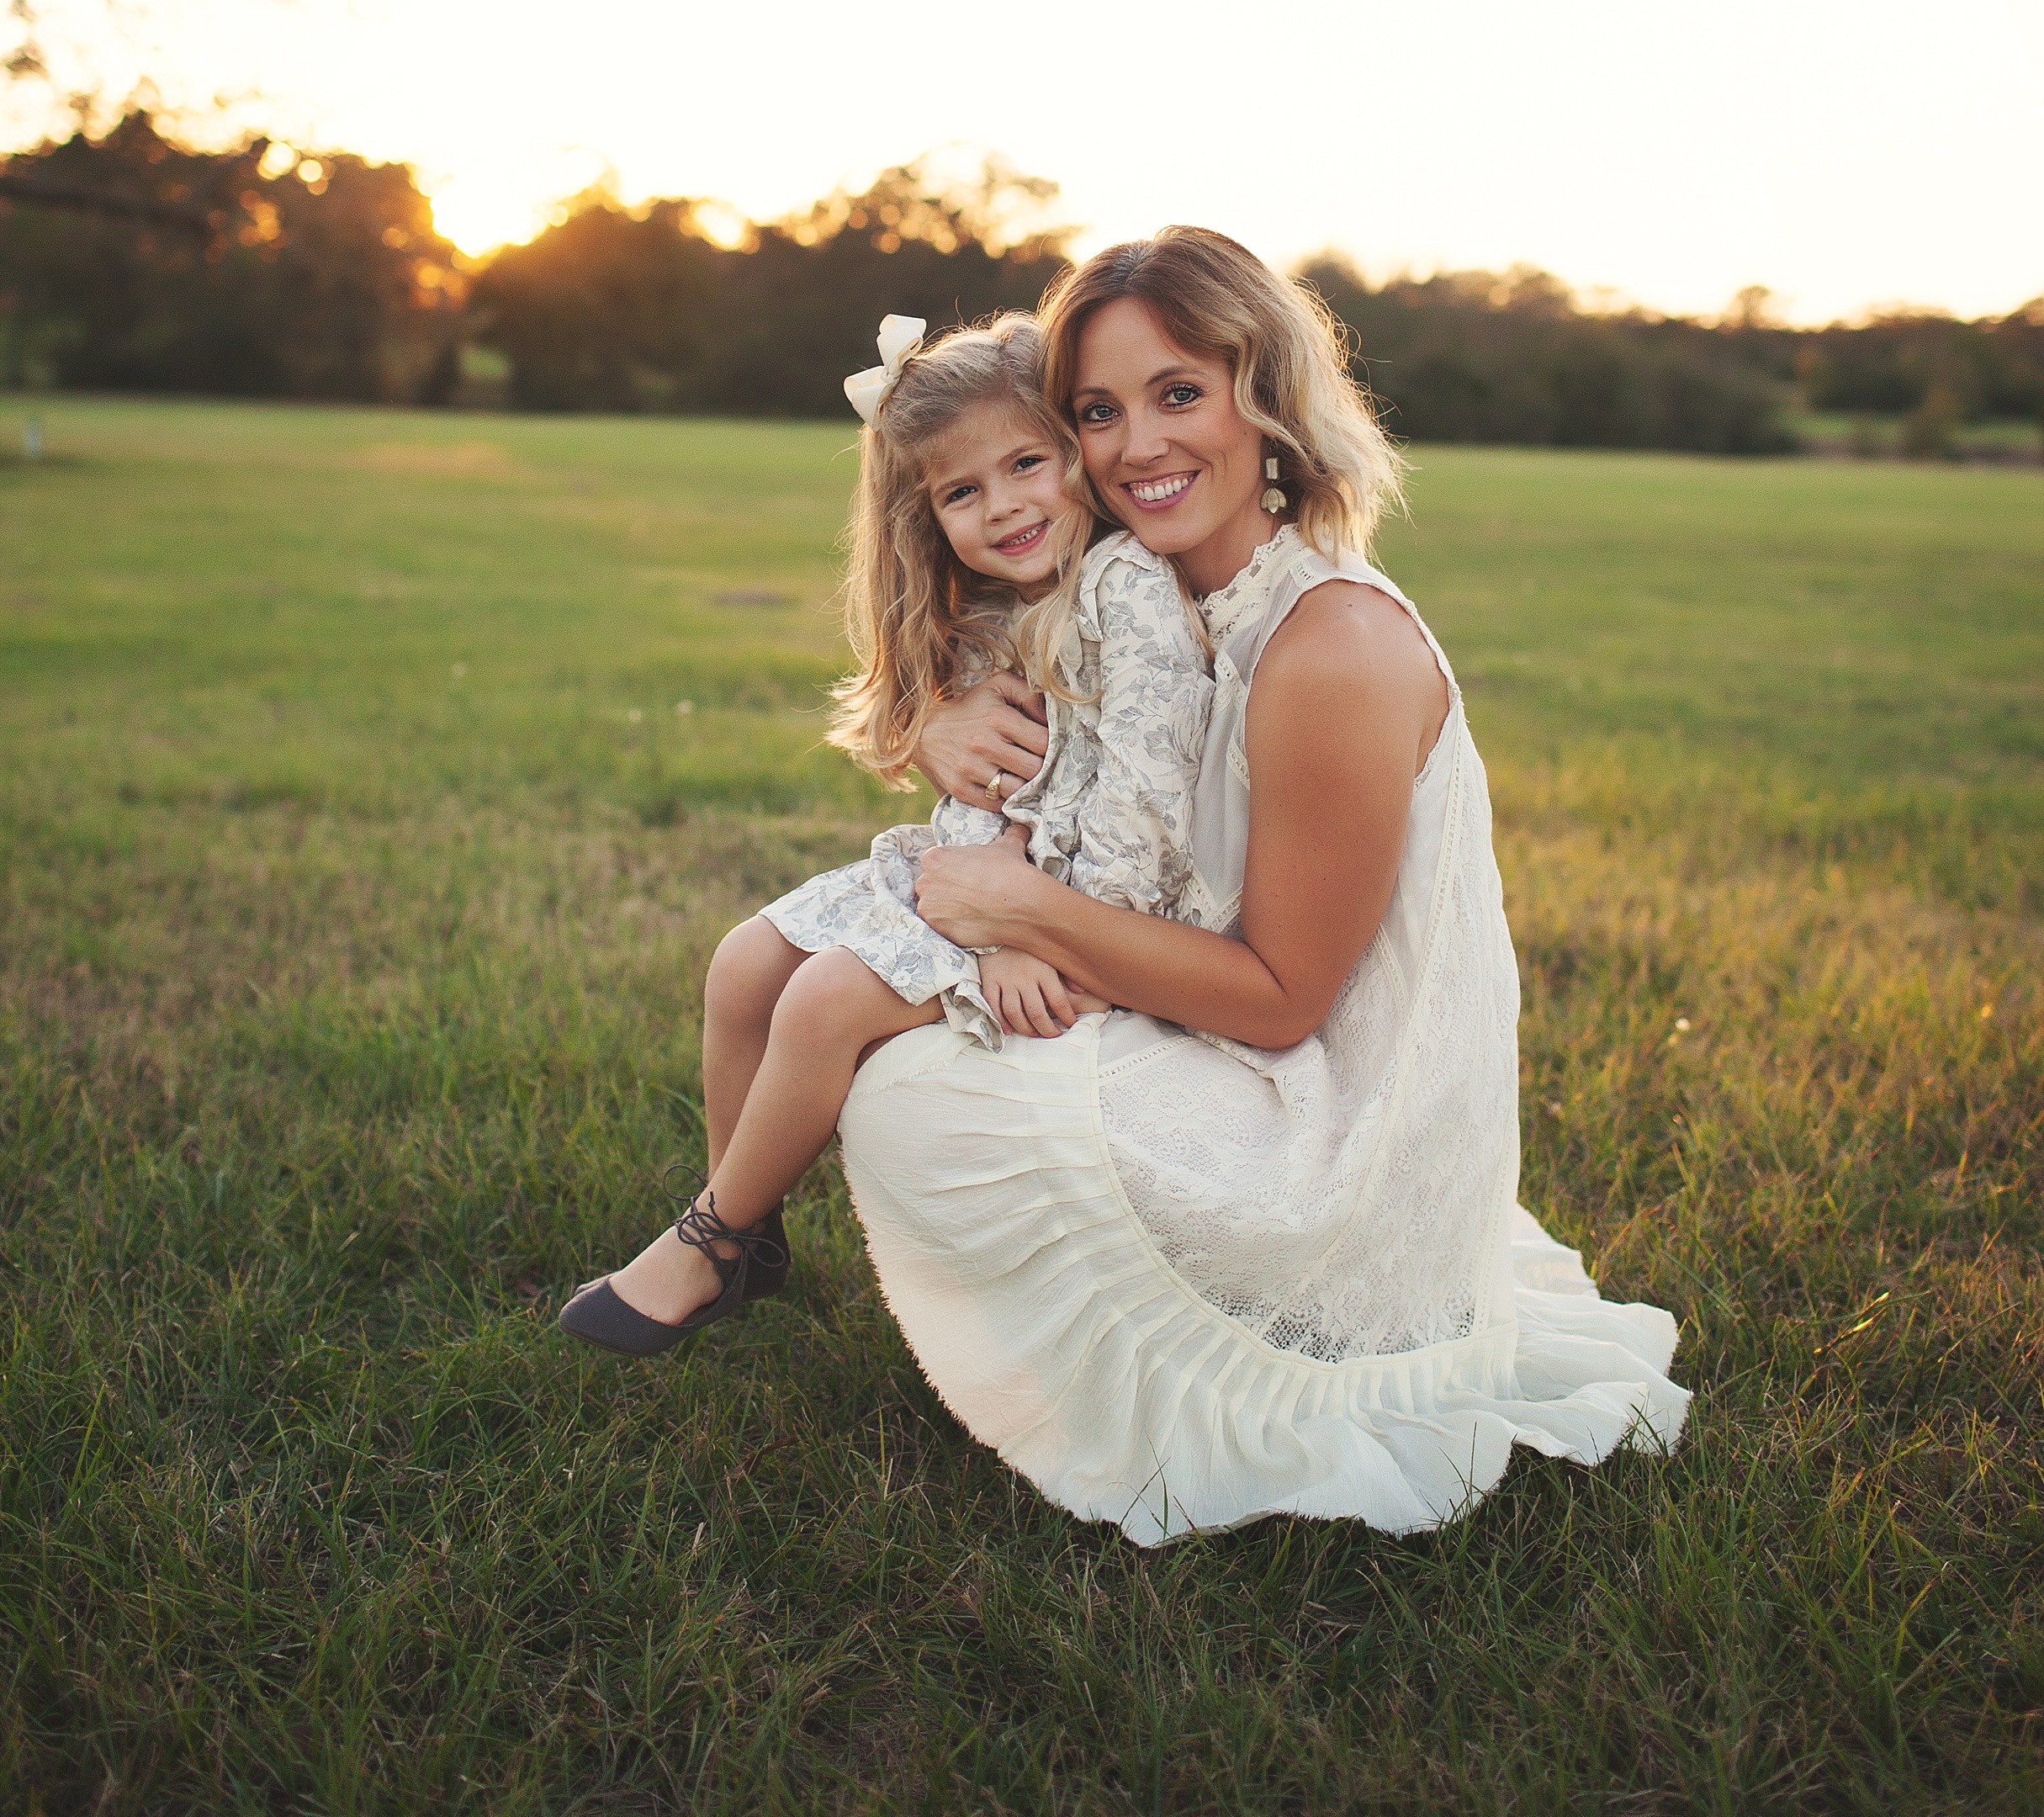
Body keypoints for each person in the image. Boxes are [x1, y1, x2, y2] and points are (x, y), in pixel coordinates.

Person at [839, 227, 1690, 1542]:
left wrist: (1021, 912)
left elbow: (1286, 1000)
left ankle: (1201, 1374)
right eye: (1095, 412)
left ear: (1268, 396)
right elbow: (1037, 750)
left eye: (1180, 393)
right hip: (1188, 1026)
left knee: (913, 1091)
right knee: (862, 1002)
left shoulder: (1330, 642)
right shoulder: (1140, 595)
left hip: (1319, 1124)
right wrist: (940, 722)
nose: (1134, 447)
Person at [557, 310, 1213, 1357]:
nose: (1003, 507)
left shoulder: (1124, 597)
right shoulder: (998, 603)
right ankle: (752, 1237)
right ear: (928, 514)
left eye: (1027, 464)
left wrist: (1031, 930)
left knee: (820, 1001)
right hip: (984, 885)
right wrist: (976, 859)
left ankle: (707, 1240)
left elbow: (1148, 808)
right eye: (962, 492)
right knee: (744, 966)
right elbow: (985, 793)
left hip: (1086, 915)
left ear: (1076, 456)